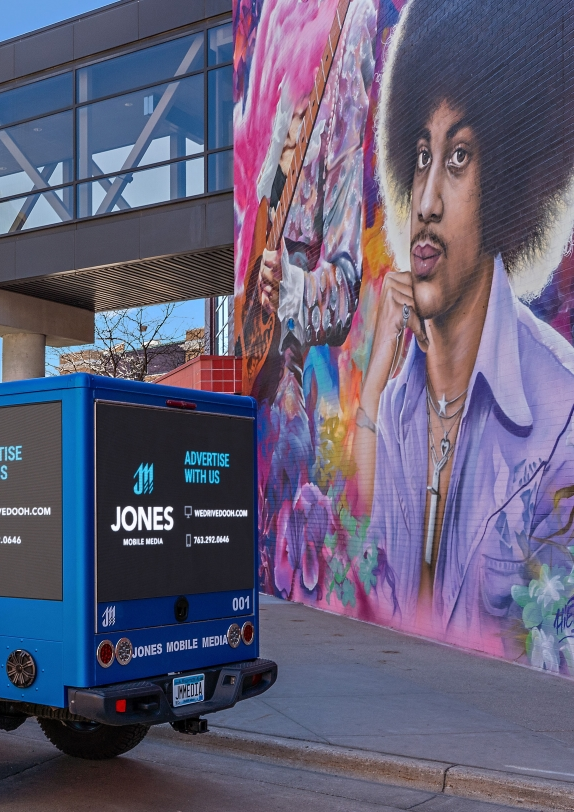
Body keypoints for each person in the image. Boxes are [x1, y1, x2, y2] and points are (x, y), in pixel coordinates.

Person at [359, 0, 574, 658]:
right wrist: (374, 383)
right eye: (422, 155)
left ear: (507, 186)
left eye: (458, 158)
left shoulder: (559, 411)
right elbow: (374, 577)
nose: (425, 201)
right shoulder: (399, 404)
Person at [246, 0, 376, 597]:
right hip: (260, 398)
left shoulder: (346, 45)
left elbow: (345, 290)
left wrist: (293, 286)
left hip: (289, 409)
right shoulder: (268, 40)